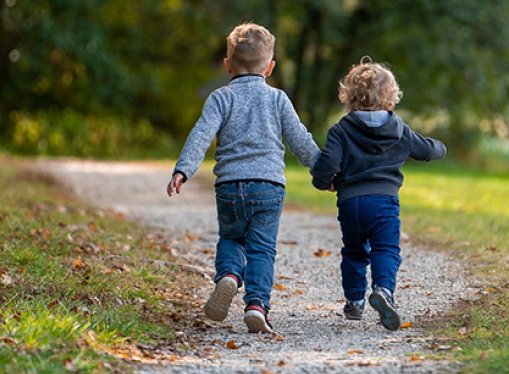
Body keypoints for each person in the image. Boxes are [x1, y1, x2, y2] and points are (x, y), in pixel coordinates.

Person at [167, 22, 319, 333]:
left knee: (232, 237)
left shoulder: (220, 98)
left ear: (227, 65)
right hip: (269, 187)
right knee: (262, 248)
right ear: (270, 67)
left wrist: (183, 169)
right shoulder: (278, 99)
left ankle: (230, 275)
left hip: (228, 186)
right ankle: (256, 306)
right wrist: (323, 170)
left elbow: (200, 136)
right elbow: (299, 140)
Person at [310, 59, 446, 331]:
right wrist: (441, 147)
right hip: (384, 204)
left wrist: (324, 182)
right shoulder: (399, 131)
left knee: (353, 251)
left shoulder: (341, 130)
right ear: (390, 99)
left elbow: (327, 166)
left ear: (349, 98)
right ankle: (383, 290)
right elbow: (428, 150)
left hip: (350, 205)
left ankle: (354, 301)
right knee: (386, 249)